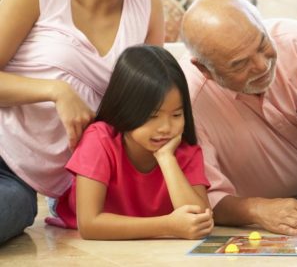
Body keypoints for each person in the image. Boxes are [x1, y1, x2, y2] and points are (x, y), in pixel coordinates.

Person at [0, 0, 163, 244]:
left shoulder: (149, 6)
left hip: (31, 185)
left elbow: (152, 106)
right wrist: (57, 91)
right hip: (3, 150)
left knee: (10, 211)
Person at [179, 0, 297, 237]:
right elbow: (202, 199)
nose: (262, 66)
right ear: (205, 69)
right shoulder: (187, 99)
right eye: (240, 64)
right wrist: (256, 210)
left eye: (262, 44)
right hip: (250, 214)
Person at [46, 45, 212, 239]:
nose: (166, 127)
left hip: (136, 215)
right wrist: (167, 226)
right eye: (152, 116)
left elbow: (197, 220)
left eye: (176, 114)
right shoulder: (99, 139)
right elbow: (90, 225)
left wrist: (167, 159)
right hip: (80, 208)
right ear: (125, 109)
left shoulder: (185, 149)